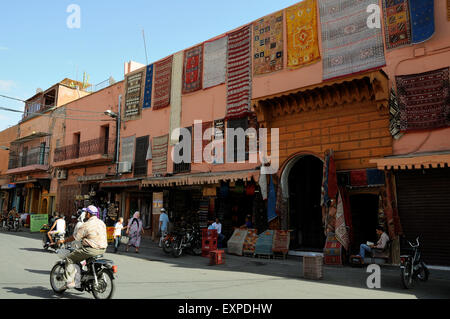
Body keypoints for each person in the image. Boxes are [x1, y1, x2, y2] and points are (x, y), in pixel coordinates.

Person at [57, 205, 107, 289]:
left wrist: (64, 241)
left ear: (88, 214)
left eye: (86, 213)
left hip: (91, 249)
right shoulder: (101, 222)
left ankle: (70, 281)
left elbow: (75, 237)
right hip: (102, 249)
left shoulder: (86, 224)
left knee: (69, 258)